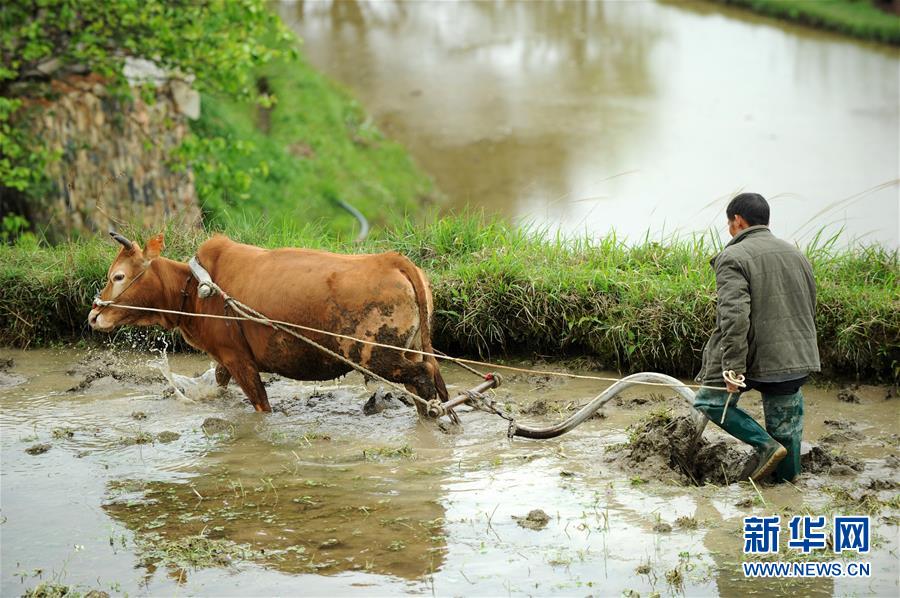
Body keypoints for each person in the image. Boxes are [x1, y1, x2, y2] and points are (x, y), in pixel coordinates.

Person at [693, 193, 820, 482]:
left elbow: (734, 317)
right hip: (795, 356)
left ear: (737, 221)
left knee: (711, 403)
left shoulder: (733, 257)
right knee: (786, 430)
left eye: (729, 223)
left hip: (756, 354)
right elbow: (810, 304)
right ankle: (787, 491)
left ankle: (764, 446)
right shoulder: (796, 254)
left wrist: (733, 368)